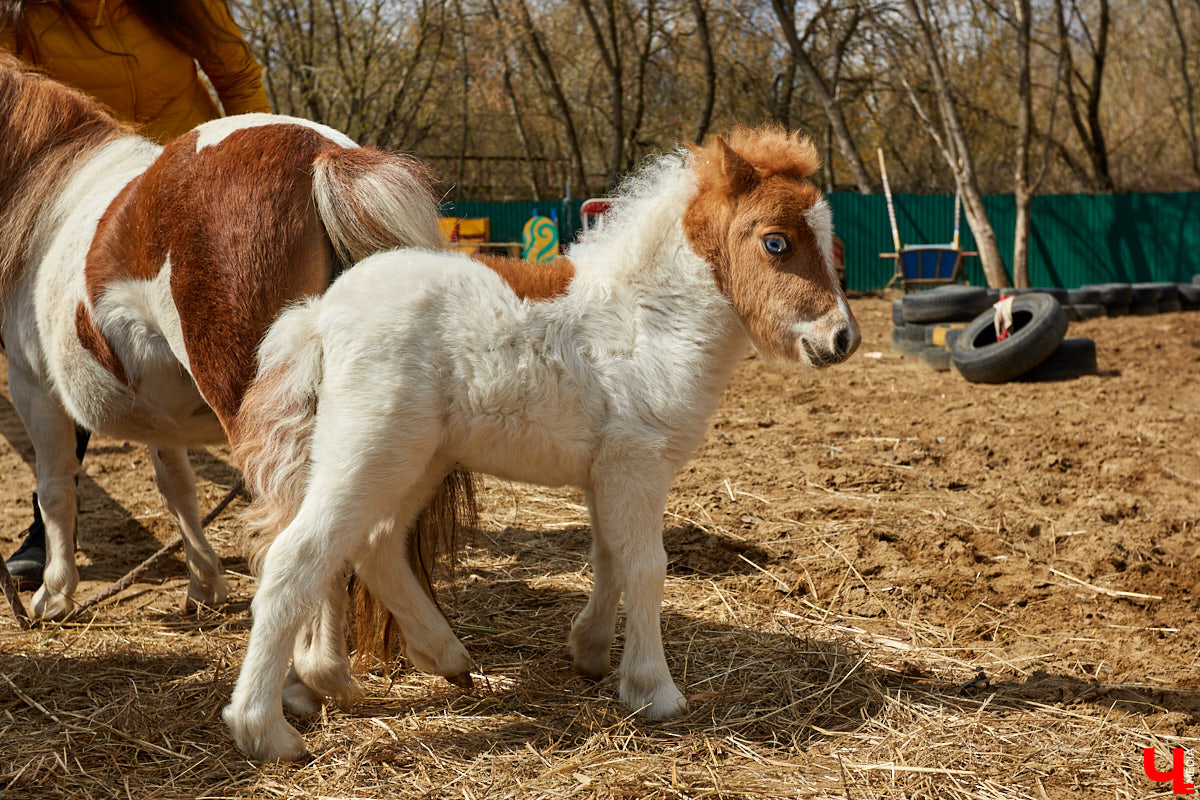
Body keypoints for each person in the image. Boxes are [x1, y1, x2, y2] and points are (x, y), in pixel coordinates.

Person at [2, 0, 271, 587]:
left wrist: (251, 175)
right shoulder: (18, 16)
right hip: (80, 193)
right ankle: (50, 529)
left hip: (189, 177)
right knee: (54, 337)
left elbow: (237, 75)